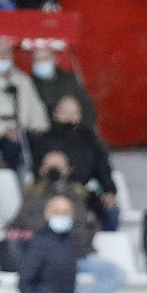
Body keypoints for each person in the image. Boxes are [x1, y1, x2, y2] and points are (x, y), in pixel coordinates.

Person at [6, 150, 121, 293]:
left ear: (67, 169)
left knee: (116, 273)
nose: (55, 170)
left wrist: (80, 242)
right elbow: (16, 227)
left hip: (81, 254)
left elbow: (91, 223)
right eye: (50, 165)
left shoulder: (80, 194)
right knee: (67, 280)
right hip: (48, 257)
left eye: (59, 166)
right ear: (42, 169)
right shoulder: (33, 196)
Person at [30, 95, 118, 230]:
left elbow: (103, 169)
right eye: (65, 112)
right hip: (51, 193)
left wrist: (109, 191)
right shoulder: (44, 140)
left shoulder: (90, 140)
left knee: (111, 211)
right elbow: (37, 171)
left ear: (80, 115)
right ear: (56, 114)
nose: (69, 117)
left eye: (74, 113)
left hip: (83, 193)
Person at [0, 40, 48, 170]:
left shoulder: (22, 79)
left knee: (42, 144)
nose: (4, 56)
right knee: (13, 145)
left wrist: (41, 128)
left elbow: (35, 106)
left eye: (7, 53)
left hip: (22, 129)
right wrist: (2, 130)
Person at [18, 195, 80, 293]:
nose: (61, 216)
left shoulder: (71, 245)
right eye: (57, 212)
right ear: (47, 214)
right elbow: (25, 280)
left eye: (65, 213)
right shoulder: (38, 244)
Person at [30, 47, 97, 131]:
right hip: (46, 136)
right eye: (37, 59)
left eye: (45, 58)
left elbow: (88, 108)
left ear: (55, 59)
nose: (41, 62)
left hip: (76, 132)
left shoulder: (70, 80)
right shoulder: (29, 84)